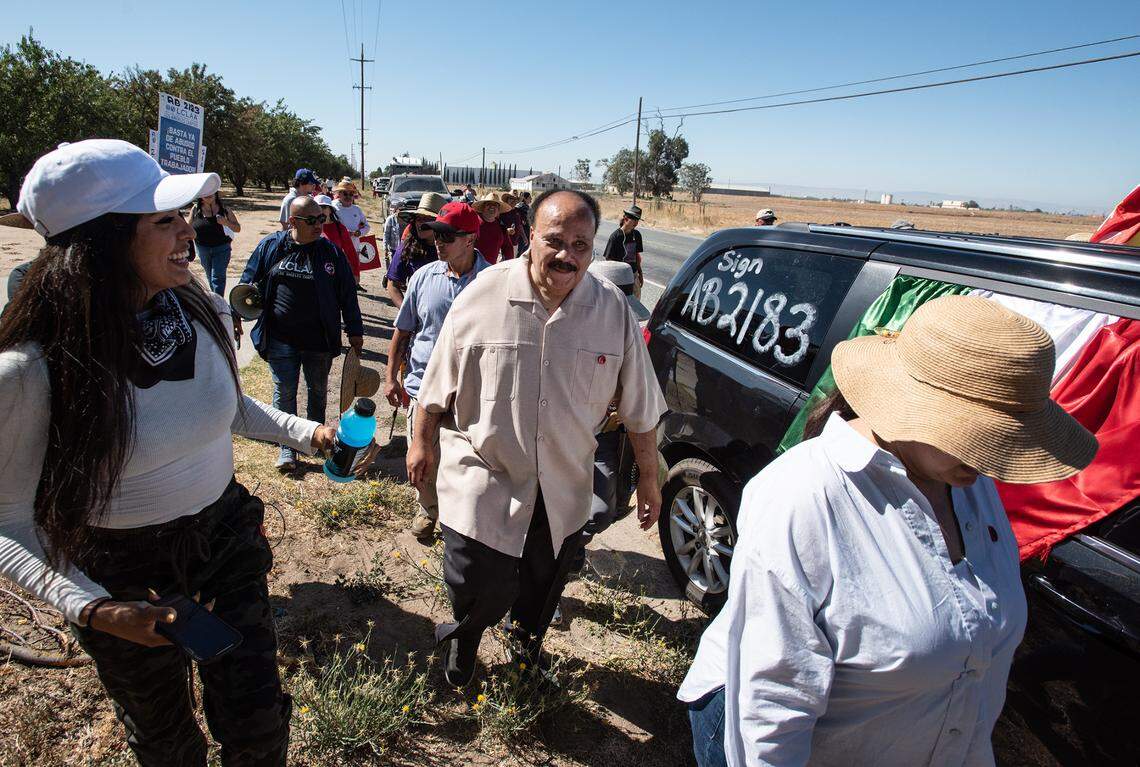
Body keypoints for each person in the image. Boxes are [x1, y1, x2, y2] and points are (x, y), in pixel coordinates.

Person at [0, 139, 339, 766]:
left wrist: (307, 433)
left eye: (183, 214)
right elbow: (10, 523)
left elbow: (228, 409)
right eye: (164, 219)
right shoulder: (29, 371)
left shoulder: (202, 308)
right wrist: (96, 608)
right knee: (165, 742)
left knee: (259, 726)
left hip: (224, 542)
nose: (189, 230)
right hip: (116, 570)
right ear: (100, 243)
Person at [677, 294, 1098, 767]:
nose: (994, 460)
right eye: (981, 438)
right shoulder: (801, 496)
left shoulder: (968, 481)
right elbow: (773, 699)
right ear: (912, 407)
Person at [409, 189, 667, 687]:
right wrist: (422, 443)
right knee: (473, 580)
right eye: (555, 241)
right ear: (530, 237)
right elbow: (437, 383)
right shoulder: (482, 294)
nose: (568, 255)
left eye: (581, 244)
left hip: (563, 481)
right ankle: (464, 639)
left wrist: (650, 480)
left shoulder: (612, 311)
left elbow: (640, 408)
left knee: (541, 587)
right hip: (484, 472)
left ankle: (526, 651)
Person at [380, 202, 489, 540]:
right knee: (422, 459)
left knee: (464, 465)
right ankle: (428, 509)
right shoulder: (424, 277)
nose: (436, 240)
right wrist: (390, 377)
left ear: (470, 239)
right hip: (422, 388)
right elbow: (404, 330)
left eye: (446, 234)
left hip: (469, 395)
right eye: (434, 232)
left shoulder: (491, 283)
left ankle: (456, 520)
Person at [239, 195, 364, 472]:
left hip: (319, 339)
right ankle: (287, 448)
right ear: (293, 221)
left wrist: (355, 330)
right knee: (284, 392)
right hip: (280, 338)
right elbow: (246, 283)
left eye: (322, 218)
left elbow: (347, 295)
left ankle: (315, 441)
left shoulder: (331, 253)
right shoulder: (271, 246)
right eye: (312, 220)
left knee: (317, 392)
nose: (319, 225)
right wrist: (238, 312)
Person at [386, 192, 446, 308]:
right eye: (418, 218)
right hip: (418, 314)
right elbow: (392, 284)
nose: (420, 223)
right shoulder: (408, 246)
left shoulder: (452, 247)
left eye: (427, 219)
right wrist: (407, 314)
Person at [190, 191, 241, 296]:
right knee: (210, 276)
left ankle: (219, 302)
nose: (208, 195)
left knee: (217, 277)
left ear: (216, 194)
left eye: (211, 192)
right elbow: (188, 227)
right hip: (202, 248)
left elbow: (237, 228)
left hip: (222, 248)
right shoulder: (195, 209)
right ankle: (216, 300)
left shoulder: (225, 209)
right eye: (206, 193)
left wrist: (226, 222)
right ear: (200, 197)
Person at [332, 181, 369, 290]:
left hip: (354, 246)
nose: (348, 196)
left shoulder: (357, 209)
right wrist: (342, 233)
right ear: (339, 193)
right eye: (345, 193)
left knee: (353, 269)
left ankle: (354, 287)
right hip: (337, 247)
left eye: (351, 194)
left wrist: (359, 232)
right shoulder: (332, 207)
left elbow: (366, 226)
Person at [601, 204, 644, 298]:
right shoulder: (615, 237)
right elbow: (609, 260)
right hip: (619, 277)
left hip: (633, 275)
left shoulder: (637, 235)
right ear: (626, 219)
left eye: (637, 220)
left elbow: (637, 256)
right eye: (634, 220)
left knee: (635, 305)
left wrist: (640, 274)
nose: (636, 223)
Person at [315, 194, 358, 277]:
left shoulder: (340, 228)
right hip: (313, 273)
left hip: (334, 274)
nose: (320, 210)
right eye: (317, 207)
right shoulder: (308, 227)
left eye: (324, 207)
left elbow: (350, 252)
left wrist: (356, 274)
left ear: (330, 210)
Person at [471, 192, 512, 265]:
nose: (492, 207)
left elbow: (507, 248)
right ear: (483, 207)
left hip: (490, 270)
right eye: (488, 204)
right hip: (471, 270)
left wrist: (508, 266)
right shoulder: (473, 223)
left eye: (495, 205)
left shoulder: (501, 227)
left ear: (498, 210)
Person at [497, 192, 525, 261]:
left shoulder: (517, 212)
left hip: (515, 243)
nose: (514, 201)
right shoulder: (502, 212)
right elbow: (496, 226)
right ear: (507, 200)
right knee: (502, 264)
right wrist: (506, 231)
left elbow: (520, 225)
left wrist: (524, 237)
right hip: (503, 243)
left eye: (515, 199)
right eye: (511, 199)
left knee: (511, 263)